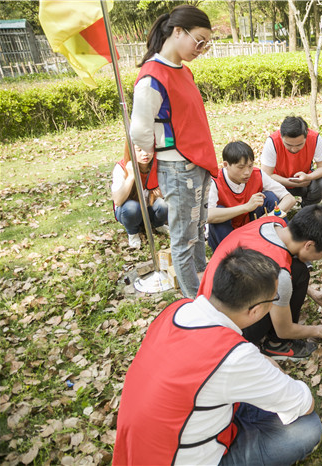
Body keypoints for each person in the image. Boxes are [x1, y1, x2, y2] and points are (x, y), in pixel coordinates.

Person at [113, 247, 322, 465]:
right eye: (275, 298)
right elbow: (303, 403)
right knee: (307, 429)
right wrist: (270, 369)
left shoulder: (176, 309)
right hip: (187, 458)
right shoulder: (234, 357)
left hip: (143, 449)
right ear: (256, 310)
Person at [129, 5, 217, 298]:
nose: (202, 48)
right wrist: (153, 156)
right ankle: (194, 299)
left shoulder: (182, 70)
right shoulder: (152, 76)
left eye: (206, 42)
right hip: (178, 167)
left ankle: (203, 285)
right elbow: (140, 131)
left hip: (197, 164)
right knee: (183, 237)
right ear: (177, 31)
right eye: (199, 40)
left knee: (197, 229)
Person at [199, 204, 322, 360]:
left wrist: (313, 293)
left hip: (207, 305)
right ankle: (277, 346)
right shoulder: (278, 273)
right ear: (309, 244)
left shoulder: (272, 223)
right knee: (299, 272)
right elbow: (284, 330)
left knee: (297, 269)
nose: (321, 259)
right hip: (226, 331)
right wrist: (317, 330)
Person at [207, 141, 297, 251]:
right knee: (218, 213)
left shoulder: (257, 174)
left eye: (250, 166)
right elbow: (208, 215)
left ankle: (288, 246)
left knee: (269, 197)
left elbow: (289, 198)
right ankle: (233, 256)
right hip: (225, 232)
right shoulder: (214, 181)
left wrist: (269, 217)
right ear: (226, 165)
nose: (247, 172)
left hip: (251, 224)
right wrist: (246, 207)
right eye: (241, 167)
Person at [261, 116, 322, 207]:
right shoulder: (272, 141)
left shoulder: (314, 138)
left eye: (299, 144)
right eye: (288, 145)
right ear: (281, 136)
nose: (294, 149)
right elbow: (266, 175)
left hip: (305, 182)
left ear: (306, 136)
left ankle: (307, 208)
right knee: (265, 192)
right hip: (279, 183)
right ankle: (280, 209)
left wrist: (308, 177)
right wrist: (289, 182)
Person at [112, 144, 169, 249]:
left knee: (164, 204)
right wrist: (131, 177)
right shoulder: (121, 167)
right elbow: (118, 201)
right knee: (131, 207)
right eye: (139, 150)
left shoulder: (159, 165)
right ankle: (133, 234)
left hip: (150, 209)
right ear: (131, 151)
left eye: (148, 149)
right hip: (128, 212)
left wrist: (163, 195)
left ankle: (158, 225)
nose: (145, 154)